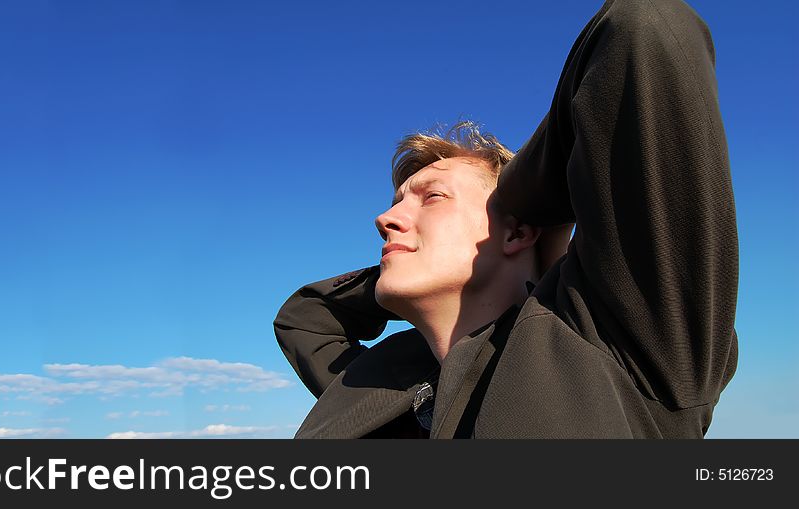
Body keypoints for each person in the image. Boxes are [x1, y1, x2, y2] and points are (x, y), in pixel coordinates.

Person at [274, 0, 738, 438]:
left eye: (431, 197)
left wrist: (533, 202)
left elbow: (645, 27)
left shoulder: (619, 344)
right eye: (397, 201)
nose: (384, 218)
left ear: (517, 230)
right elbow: (306, 316)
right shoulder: (386, 383)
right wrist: (423, 261)